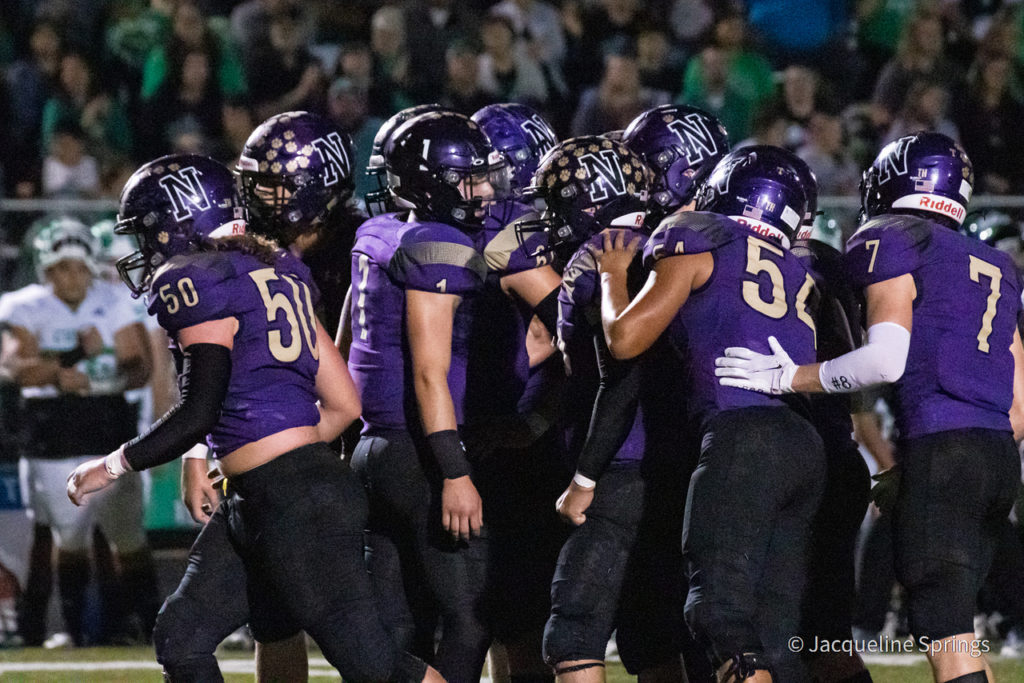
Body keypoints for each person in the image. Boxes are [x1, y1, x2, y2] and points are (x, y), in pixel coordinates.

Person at [64, 154, 443, 683]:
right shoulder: (276, 268)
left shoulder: (193, 277)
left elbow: (198, 409)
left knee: (373, 664)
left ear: (179, 222)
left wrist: (110, 467)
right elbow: (344, 404)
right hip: (273, 492)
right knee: (182, 636)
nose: (145, 249)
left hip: (289, 500)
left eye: (148, 232)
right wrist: (275, 455)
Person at [715, 131, 1024, 683]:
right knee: (961, 634)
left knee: (945, 634)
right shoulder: (994, 262)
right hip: (999, 456)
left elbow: (885, 361)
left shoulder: (893, 236)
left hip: (942, 446)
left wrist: (791, 376)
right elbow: (1020, 408)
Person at [598, 146, 822, 682]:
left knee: (716, 613)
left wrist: (612, 275)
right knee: (777, 637)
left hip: (743, 437)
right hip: (804, 443)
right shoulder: (798, 266)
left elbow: (625, 339)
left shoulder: (697, 233)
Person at [346, 110, 508, 681]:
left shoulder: (377, 232)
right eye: (468, 179)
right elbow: (428, 375)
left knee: (401, 627)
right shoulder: (435, 244)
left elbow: (347, 343)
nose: (484, 189)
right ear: (431, 181)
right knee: (469, 618)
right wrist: (455, 471)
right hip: (420, 451)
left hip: (373, 449)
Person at [0, 217, 151, 648]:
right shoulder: (22, 305)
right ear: (46, 269)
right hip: (52, 430)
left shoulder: (114, 300)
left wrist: (98, 381)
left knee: (125, 535)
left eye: (77, 266)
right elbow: (15, 369)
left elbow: (138, 366)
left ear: (89, 265)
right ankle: (72, 629)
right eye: (60, 267)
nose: (70, 276)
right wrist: (70, 358)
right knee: (67, 535)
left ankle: (141, 626)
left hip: (105, 423)